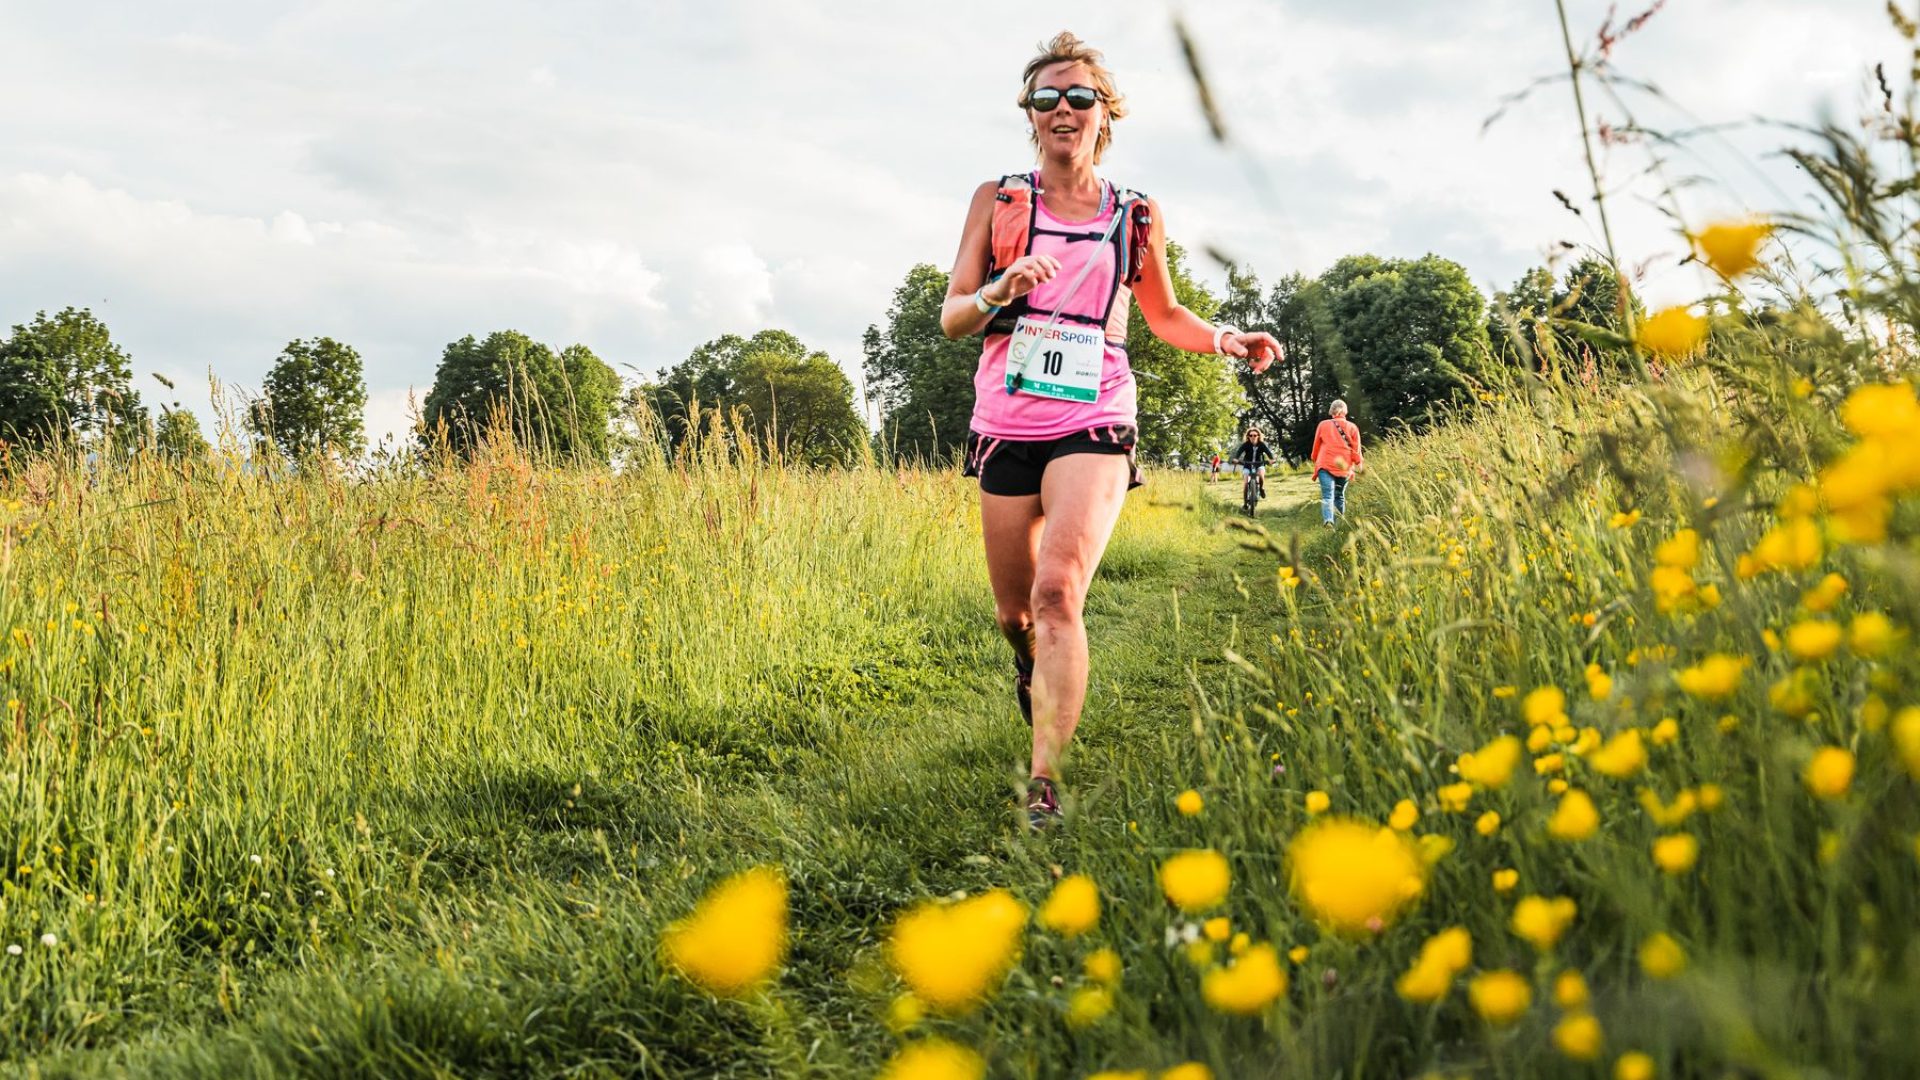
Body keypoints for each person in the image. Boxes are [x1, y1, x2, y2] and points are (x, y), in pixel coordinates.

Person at [940, 31, 1282, 827]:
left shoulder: (1135, 212)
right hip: (1006, 418)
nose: (1064, 109)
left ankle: (1045, 784)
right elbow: (955, 316)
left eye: (1080, 97)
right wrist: (1000, 287)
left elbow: (1162, 314)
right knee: (1016, 615)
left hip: (1096, 413)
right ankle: (1034, 671)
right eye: (1047, 98)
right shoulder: (998, 200)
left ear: (1105, 115)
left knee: (1058, 591)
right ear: (1029, 116)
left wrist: (1225, 337)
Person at [1310, 399, 1363, 525]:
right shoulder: (1352, 427)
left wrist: (1315, 458)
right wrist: (1359, 465)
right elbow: (1356, 449)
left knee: (1328, 496)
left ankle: (1328, 520)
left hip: (1325, 464)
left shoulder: (1323, 425)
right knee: (1339, 496)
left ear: (1331, 411)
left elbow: (1316, 445)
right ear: (1345, 411)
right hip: (1344, 467)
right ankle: (1339, 525)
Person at [1231, 427, 1274, 502]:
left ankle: (1261, 488)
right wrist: (1236, 458)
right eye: (1251, 435)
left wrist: (1271, 459)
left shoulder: (1261, 444)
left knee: (1261, 474)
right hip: (1247, 465)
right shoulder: (1246, 444)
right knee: (1245, 483)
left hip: (1259, 464)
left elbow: (1268, 452)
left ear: (1258, 436)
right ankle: (1245, 503)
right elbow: (1239, 451)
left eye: (1255, 435)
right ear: (1248, 436)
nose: (1253, 437)